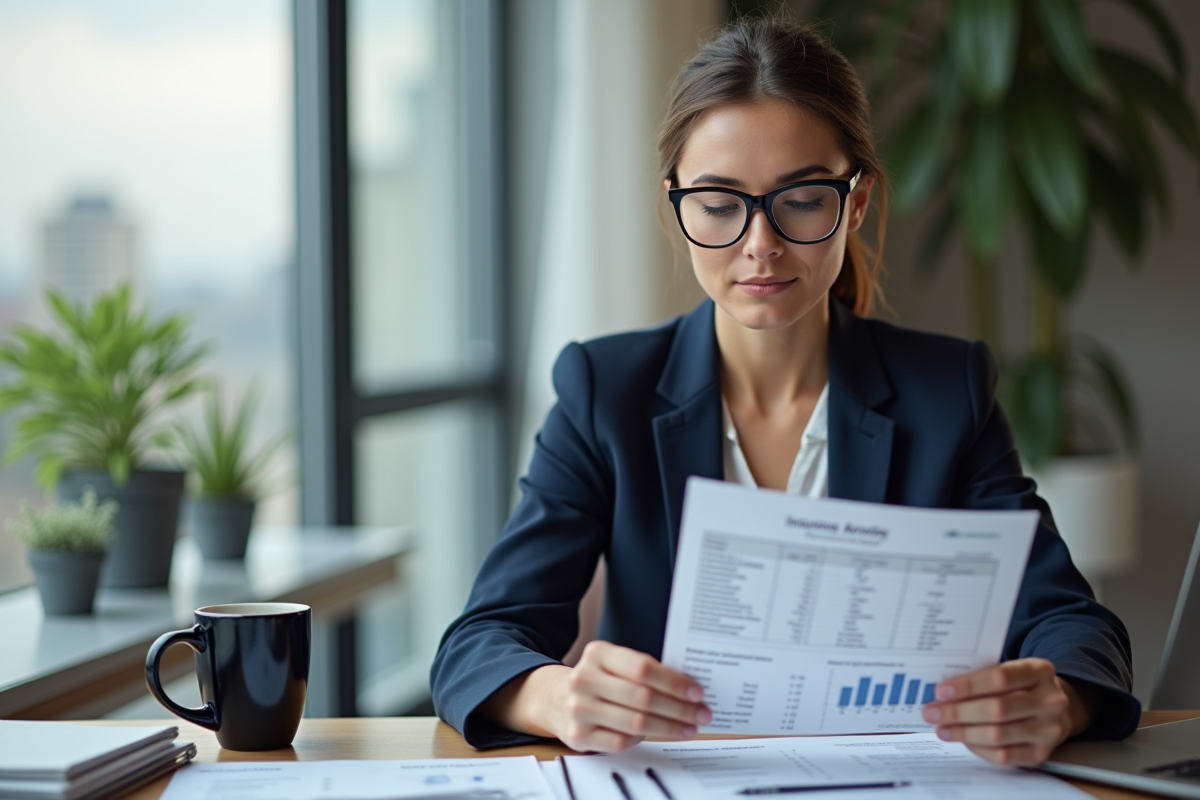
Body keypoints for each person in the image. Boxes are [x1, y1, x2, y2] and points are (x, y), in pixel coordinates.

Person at [430, 17, 1139, 767]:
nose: (760, 244)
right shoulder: (605, 393)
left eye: (801, 198)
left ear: (855, 203)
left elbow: (1075, 626)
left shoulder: (946, 393)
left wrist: (1059, 699)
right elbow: (479, 643)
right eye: (719, 203)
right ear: (678, 206)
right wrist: (557, 695)